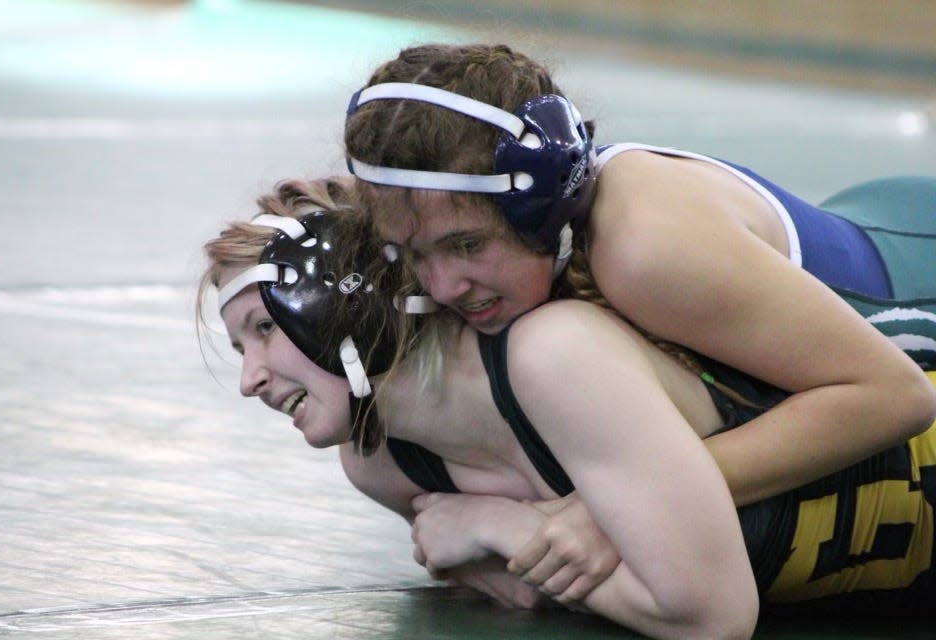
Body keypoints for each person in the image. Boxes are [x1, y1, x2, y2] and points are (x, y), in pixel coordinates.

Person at [198, 178, 936, 639]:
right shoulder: (383, 466)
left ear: (335, 301)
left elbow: (710, 616)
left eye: (263, 331)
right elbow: (536, 591)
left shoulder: (553, 356)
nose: (251, 381)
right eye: (240, 351)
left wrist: (509, 523)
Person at [342, 43, 936, 509]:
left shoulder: (642, 249)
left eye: (468, 245)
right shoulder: (489, 233)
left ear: (548, 204)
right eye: (413, 254)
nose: (442, 288)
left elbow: (896, 396)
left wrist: (614, 505)